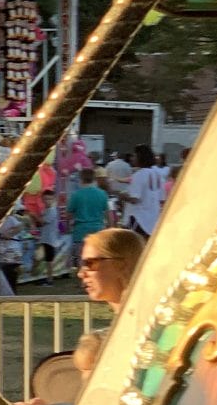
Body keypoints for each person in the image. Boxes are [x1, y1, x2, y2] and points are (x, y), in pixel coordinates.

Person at [73, 226, 144, 375]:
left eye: (90, 264)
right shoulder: (128, 322)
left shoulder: (148, 322)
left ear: (121, 265)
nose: (81, 274)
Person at [123, 144, 166, 239]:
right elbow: (162, 199)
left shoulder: (139, 175)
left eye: (134, 155)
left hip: (139, 219)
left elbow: (135, 199)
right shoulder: (158, 175)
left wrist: (122, 196)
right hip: (153, 219)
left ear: (140, 157)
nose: (132, 158)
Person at [66, 166, 110, 252]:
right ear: (94, 179)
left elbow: (68, 215)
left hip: (80, 232)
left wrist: (68, 227)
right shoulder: (102, 193)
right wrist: (109, 228)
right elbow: (108, 213)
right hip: (98, 231)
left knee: (82, 258)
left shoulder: (76, 195)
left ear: (81, 179)